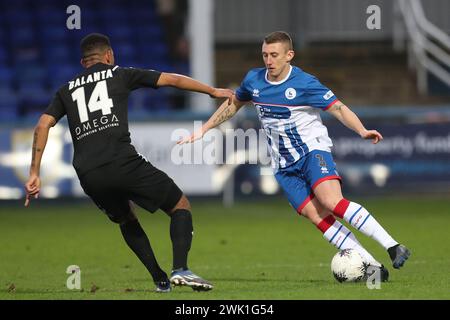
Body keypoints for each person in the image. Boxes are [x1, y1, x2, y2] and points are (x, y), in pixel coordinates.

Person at [178, 31, 411, 281]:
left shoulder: (305, 83)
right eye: (265, 55)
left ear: (289, 55)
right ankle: (372, 266)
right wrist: (203, 129)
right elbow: (233, 104)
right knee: (315, 215)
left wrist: (362, 129)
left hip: (312, 151)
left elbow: (339, 109)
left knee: (331, 201)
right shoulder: (254, 80)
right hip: (282, 165)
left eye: (274, 55)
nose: (269, 60)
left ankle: (393, 245)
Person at [23, 33, 234, 292]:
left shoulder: (66, 90)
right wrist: (212, 91)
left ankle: (159, 280)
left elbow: (43, 124)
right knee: (180, 205)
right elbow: (173, 79)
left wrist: (34, 172)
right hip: (122, 161)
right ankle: (181, 269)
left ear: (83, 62)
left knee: (125, 219)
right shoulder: (120, 73)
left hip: (88, 173)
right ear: (109, 55)